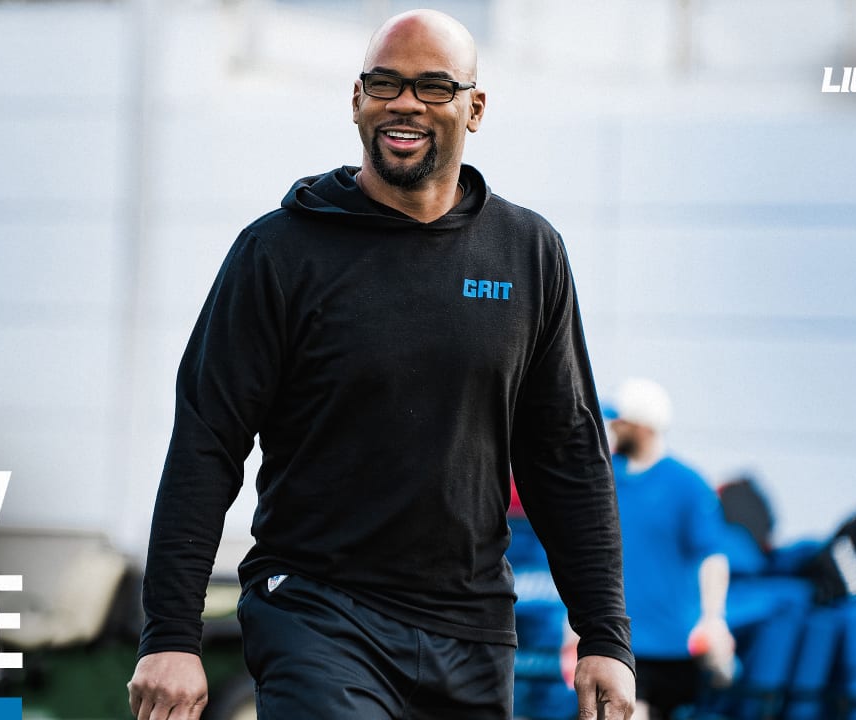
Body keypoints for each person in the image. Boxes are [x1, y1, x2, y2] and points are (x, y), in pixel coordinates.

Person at [128, 9, 635, 720]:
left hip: (472, 629)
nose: (404, 103)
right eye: (385, 83)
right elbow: (206, 443)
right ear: (357, 98)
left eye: (433, 86)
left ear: (475, 107)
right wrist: (171, 636)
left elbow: (566, 455)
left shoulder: (529, 253)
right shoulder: (279, 253)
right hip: (317, 613)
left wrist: (604, 636)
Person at [608, 377, 734, 720]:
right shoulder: (606, 478)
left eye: (621, 422)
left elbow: (712, 556)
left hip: (671, 642)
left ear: (643, 427)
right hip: (619, 639)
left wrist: (713, 619)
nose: (613, 428)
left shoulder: (686, 485)